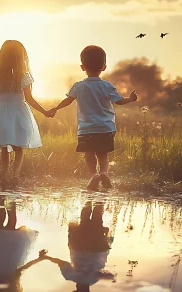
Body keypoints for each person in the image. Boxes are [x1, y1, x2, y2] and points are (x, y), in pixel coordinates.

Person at [49, 45, 137, 189]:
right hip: (105, 128)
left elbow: (68, 101)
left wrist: (55, 108)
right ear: (104, 67)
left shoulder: (78, 86)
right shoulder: (107, 86)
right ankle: (104, 172)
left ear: (83, 67)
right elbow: (120, 101)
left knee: (89, 154)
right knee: (103, 155)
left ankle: (93, 175)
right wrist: (131, 98)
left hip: (86, 128)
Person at [0, 40, 55, 185]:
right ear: (21, 57)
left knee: (4, 146)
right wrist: (45, 112)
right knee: (18, 147)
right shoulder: (23, 77)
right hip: (18, 113)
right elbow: (29, 99)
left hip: (0, 115)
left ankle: (4, 175)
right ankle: (15, 175)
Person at [43, 201, 113, 292]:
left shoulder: (94, 279)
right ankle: (89, 196)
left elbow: (107, 271)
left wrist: (111, 277)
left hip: (98, 246)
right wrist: (46, 257)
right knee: (84, 219)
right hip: (79, 244)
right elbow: (61, 262)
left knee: (97, 218)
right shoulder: (70, 276)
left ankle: (100, 197)